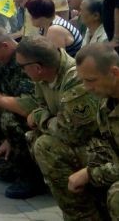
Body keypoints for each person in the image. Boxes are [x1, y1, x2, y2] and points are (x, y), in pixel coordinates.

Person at [16, 36, 101, 212]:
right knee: (32, 136)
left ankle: (80, 211)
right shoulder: (42, 77)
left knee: (46, 146)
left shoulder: (75, 78)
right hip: (76, 138)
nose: (22, 71)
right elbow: (39, 107)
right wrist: (46, 117)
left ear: (38, 68)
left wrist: (42, 118)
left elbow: (70, 131)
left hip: (99, 146)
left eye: (22, 67)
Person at [0, 27, 41, 198]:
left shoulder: (25, 61)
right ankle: (14, 155)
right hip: (27, 122)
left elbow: (28, 106)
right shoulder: (5, 62)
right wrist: (9, 140)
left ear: (4, 46)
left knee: (8, 117)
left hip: (42, 118)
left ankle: (31, 179)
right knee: (1, 171)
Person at [70, 43, 119, 218]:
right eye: (83, 80)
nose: (86, 87)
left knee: (118, 195)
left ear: (115, 73)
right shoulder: (106, 100)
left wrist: (91, 174)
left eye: (91, 80)